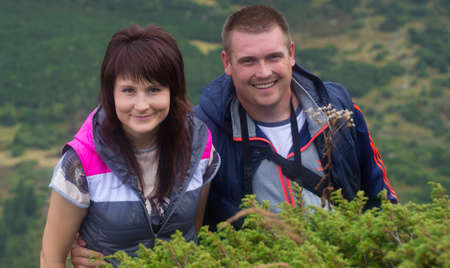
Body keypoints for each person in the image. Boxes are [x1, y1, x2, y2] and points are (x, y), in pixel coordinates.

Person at [70, 5, 398, 267]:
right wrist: (93, 243)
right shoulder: (200, 135)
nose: (264, 71)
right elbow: (161, 211)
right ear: (227, 63)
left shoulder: (337, 110)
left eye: (273, 57)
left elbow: (380, 195)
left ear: (292, 53)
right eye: (248, 61)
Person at [40, 24, 220, 268]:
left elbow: (192, 232)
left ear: (172, 91)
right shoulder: (81, 162)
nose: (142, 104)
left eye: (154, 89)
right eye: (128, 91)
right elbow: (51, 258)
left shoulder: (199, 146)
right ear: (110, 93)